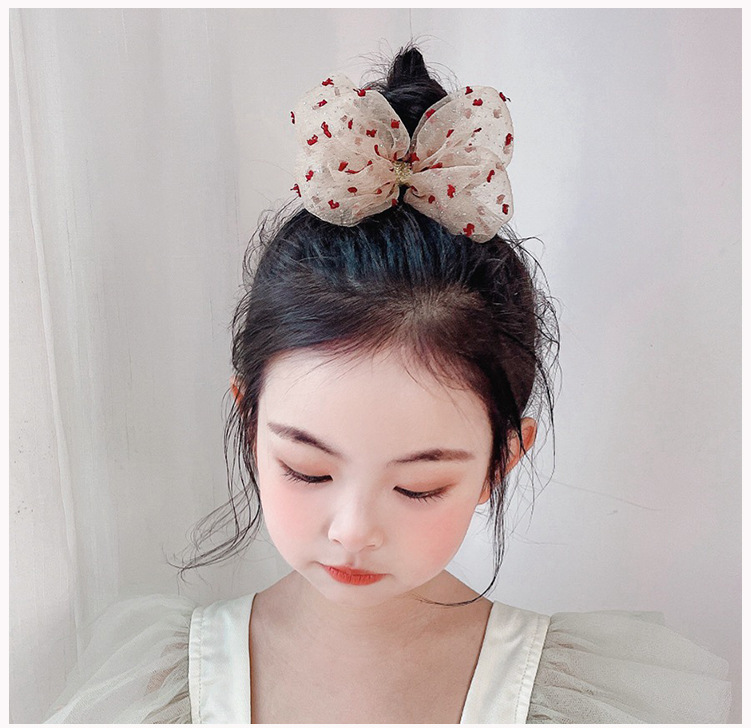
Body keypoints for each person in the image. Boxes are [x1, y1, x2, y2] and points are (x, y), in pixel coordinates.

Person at [44, 43, 731, 724]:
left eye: (418, 487)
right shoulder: (156, 690)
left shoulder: (587, 704)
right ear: (248, 423)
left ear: (501, 460)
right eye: (307, 470)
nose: (353, 531)